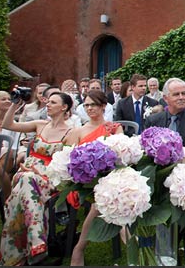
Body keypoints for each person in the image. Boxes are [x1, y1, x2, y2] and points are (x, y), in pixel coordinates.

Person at [0, 92, 75, 266]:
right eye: (48, 101)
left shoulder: (71, 132)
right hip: (26, 174)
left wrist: (40, 172)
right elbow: (8, 124)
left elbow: (67, 163)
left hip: (50, 178)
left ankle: (18, 255)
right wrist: (14, 104)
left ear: (64, 107)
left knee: (22, 189)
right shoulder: (40, 125)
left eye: (53, 102)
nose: (47, 104)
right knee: (27, 178)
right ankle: (37, 241)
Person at [69, 90, 123, 266]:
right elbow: (69, 160)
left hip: (111, 176)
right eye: (86, 105)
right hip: (85, 182)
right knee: (101, 201)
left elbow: (121, 155)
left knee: (113, 197)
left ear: (103, 106)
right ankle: (79, 248)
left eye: (93, 104)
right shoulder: (78, 131)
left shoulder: (114, 128)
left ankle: (79, 248)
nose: (89, 108)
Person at [143, 77, 185, 145]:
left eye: (184, 93)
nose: (181, 97)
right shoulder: (153, 121)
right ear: (165, 98)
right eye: (176, 94)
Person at [0, 91, 21, 202]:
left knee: (7, 151)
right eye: (3, 99)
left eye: (8, 99)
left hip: (8, 158)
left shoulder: (13, 123)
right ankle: (8, 198)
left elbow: (15, 147)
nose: (7, 101)